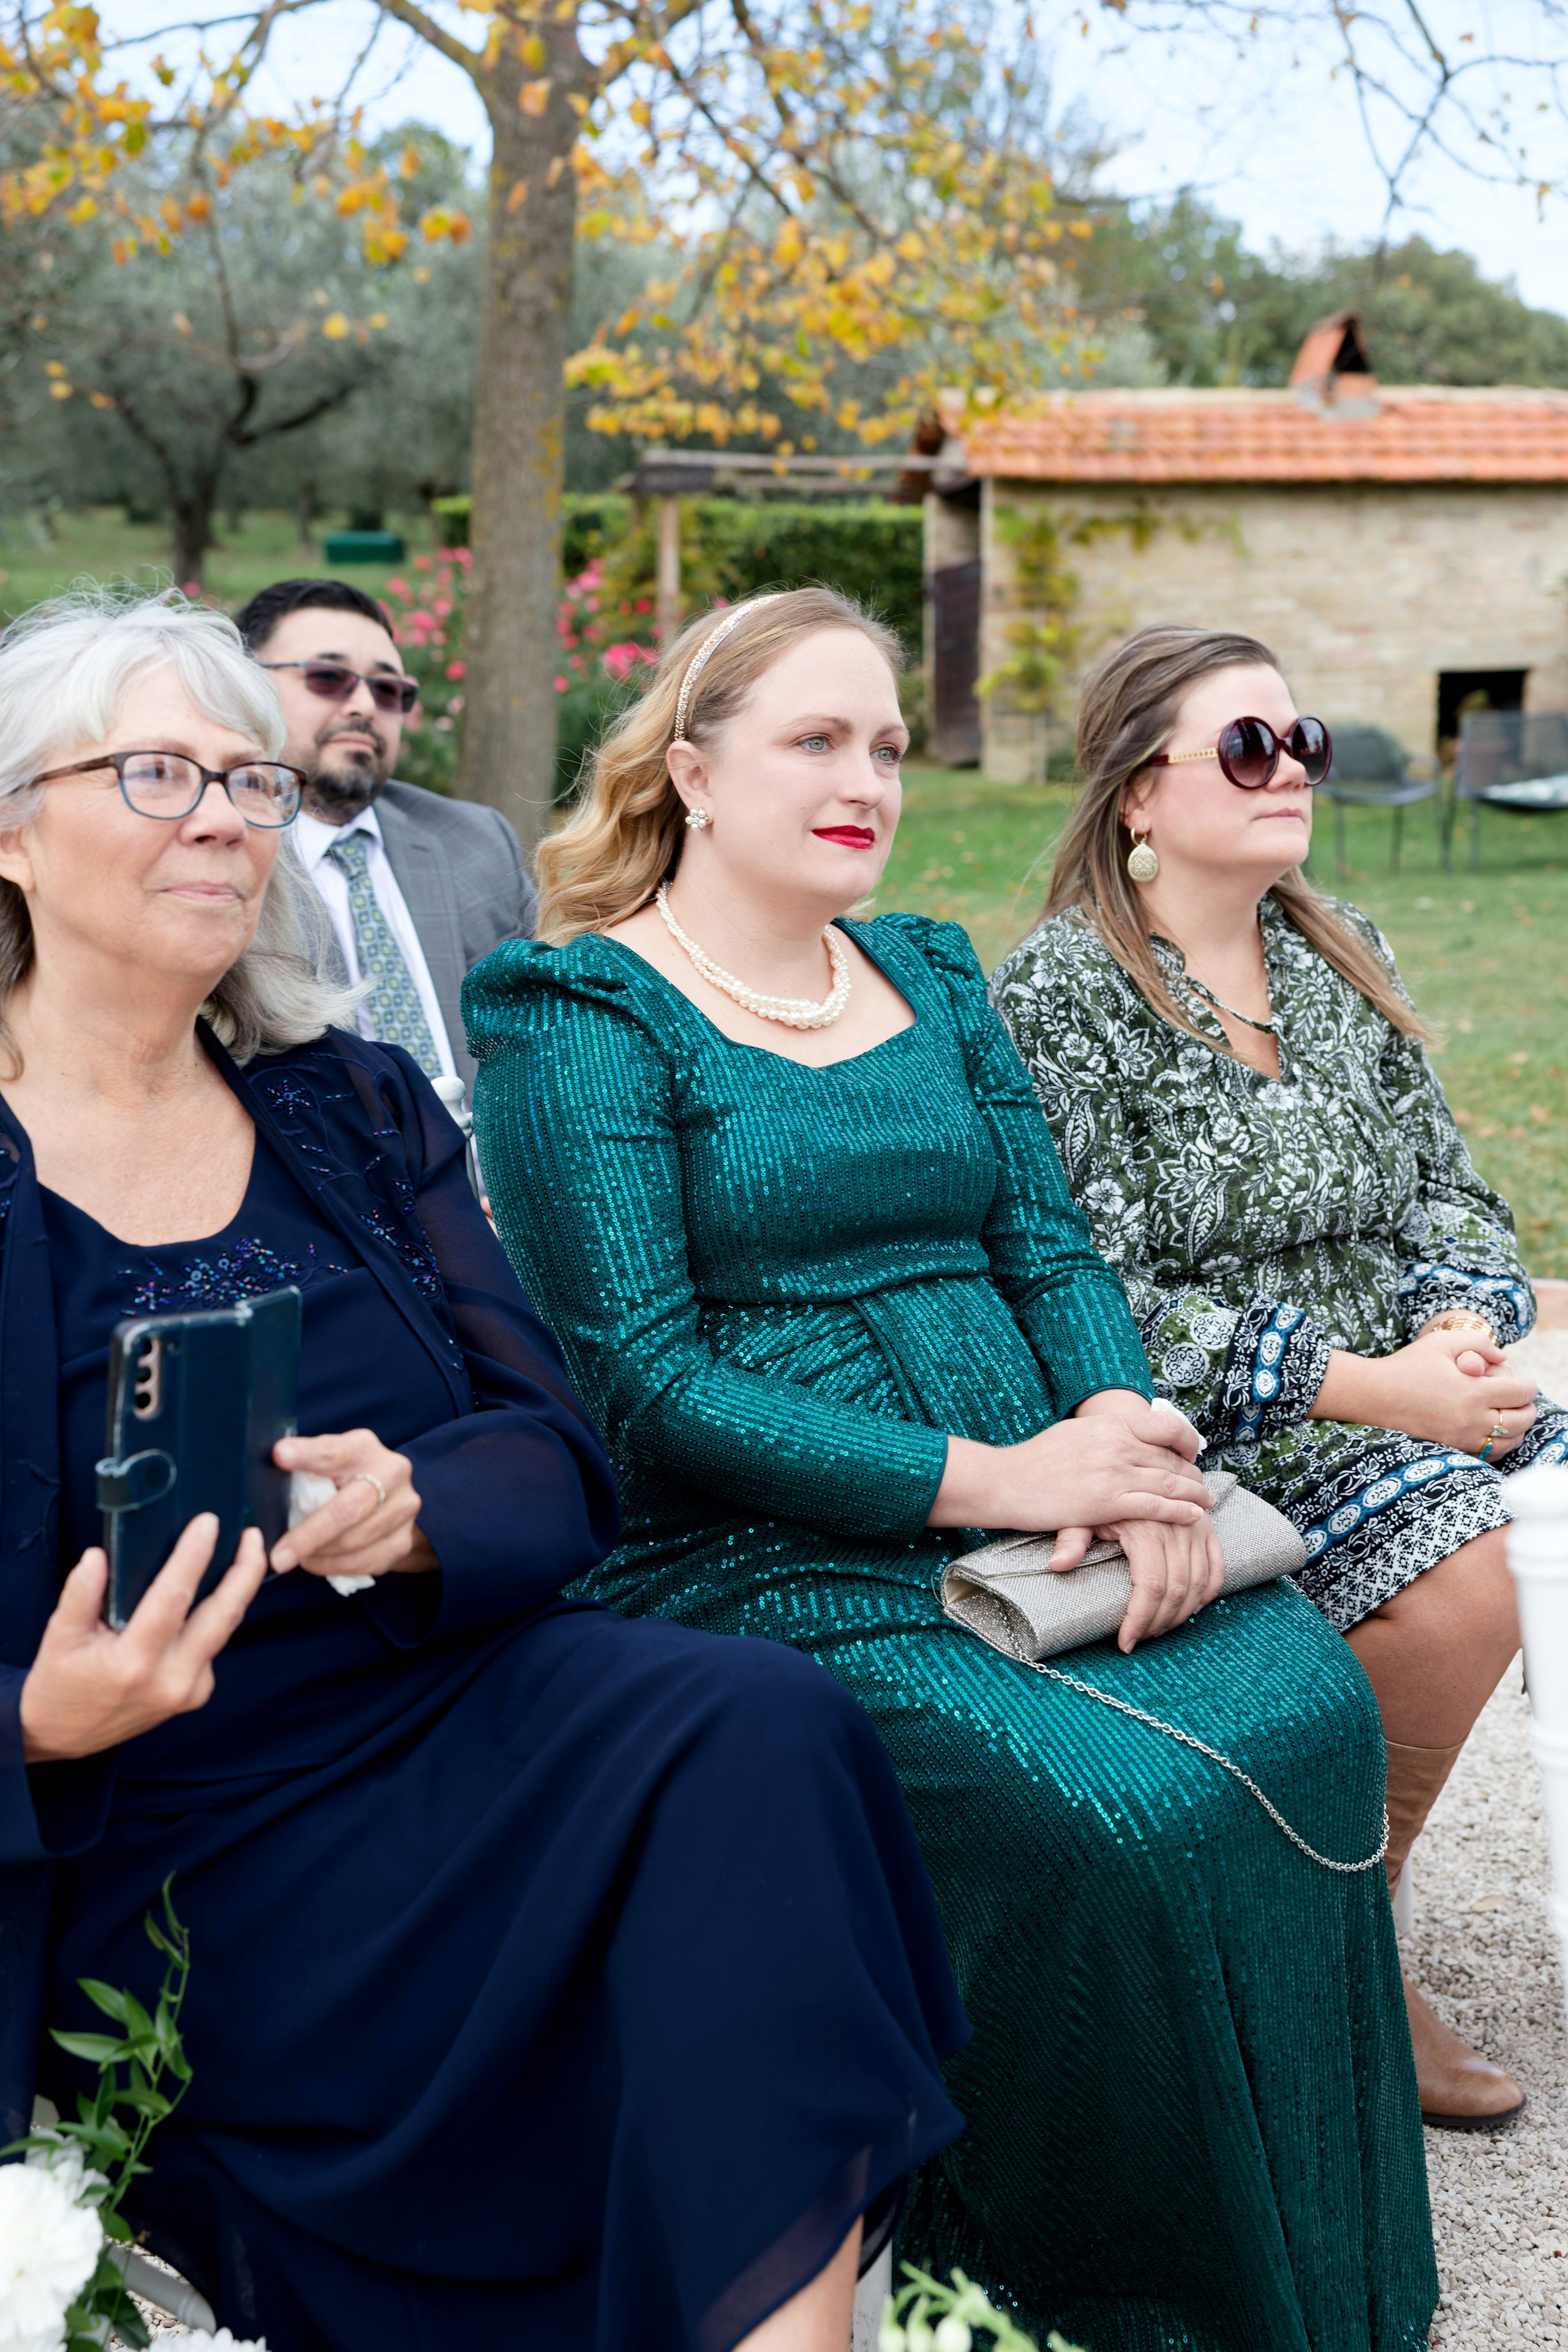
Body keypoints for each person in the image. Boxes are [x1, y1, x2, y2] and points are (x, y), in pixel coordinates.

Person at [464, 586, 1440, 2352]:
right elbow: (655, 1386)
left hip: (1051, 1475)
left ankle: (1324, 2293)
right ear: (692, 769)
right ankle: (1069, 2306)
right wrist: (1006, 1484)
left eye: (891, 746)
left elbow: (1053, 1248)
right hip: (767, 1546)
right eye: (815, 741)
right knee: (1111, 1810)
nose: (869, 780)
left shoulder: (919, 966)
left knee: (1308, 1698)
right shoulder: (576, 1017)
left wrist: (1135, 1447)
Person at [0, 588, 968, 2352]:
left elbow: (558, 1447)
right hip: (173, 1829)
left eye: (247, 778)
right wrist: (37, 1722)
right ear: (10, 826)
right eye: (157, 773)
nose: (225, 813)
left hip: (457, 1702)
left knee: (759, 1722)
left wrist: (424, 1512)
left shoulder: (349, 1107)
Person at [989, 621, 1559, 2132]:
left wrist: (1458, 1329)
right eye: (1246, 745)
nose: (1287, 769)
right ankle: (1344, 1923)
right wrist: (1374, 1388)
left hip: (1410, 1376)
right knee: (1468, 1557)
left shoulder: (1339, 942)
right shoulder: (1064, 997)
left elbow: (1449, 1189)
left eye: (1297, 740)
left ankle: (1329, 1912)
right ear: (1134, 791)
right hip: (1222, 1420)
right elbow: (1098, 1298)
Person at [233, 577, 535, 1094]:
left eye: (388, 689)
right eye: (329, 678)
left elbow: (553, 1024)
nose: (365, 705)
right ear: (242, 690)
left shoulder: (473, 840)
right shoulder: (218, 849)